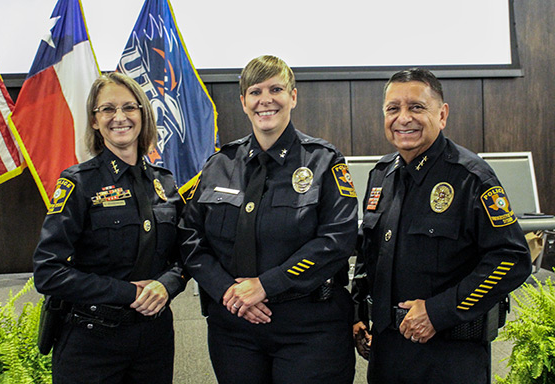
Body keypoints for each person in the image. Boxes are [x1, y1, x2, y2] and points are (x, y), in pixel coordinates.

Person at [179, 55, 358, 384]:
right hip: (234, 331)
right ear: (243, 101)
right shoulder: (219, 165)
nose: (265, 100)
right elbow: (190, 240)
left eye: (276, 89)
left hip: (310, 330)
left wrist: (265, 286)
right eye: (255, 91)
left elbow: (337, 240)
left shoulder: (324, 161)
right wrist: (228, 293)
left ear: (293, 96)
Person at [351, 67, 532, 383]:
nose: (403, 118)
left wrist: (439, 311)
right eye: (393, 109)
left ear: (442, 114)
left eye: (416, 107)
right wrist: (358, 313)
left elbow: (512, 259)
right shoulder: (381, 175)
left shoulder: (470, 178)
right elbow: (369, 255)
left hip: (449, 355)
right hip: (387, 354)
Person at [32, 72, 186, 384]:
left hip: (153, 339)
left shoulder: (164, 183)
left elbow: (187, 254)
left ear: (143, 114)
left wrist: (166, 285)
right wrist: (127, 293)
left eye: (130, 107)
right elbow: (48, 272)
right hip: (91, 341)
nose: (120, 117)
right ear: (94, 120)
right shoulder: (78, 183)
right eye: (108, 109)